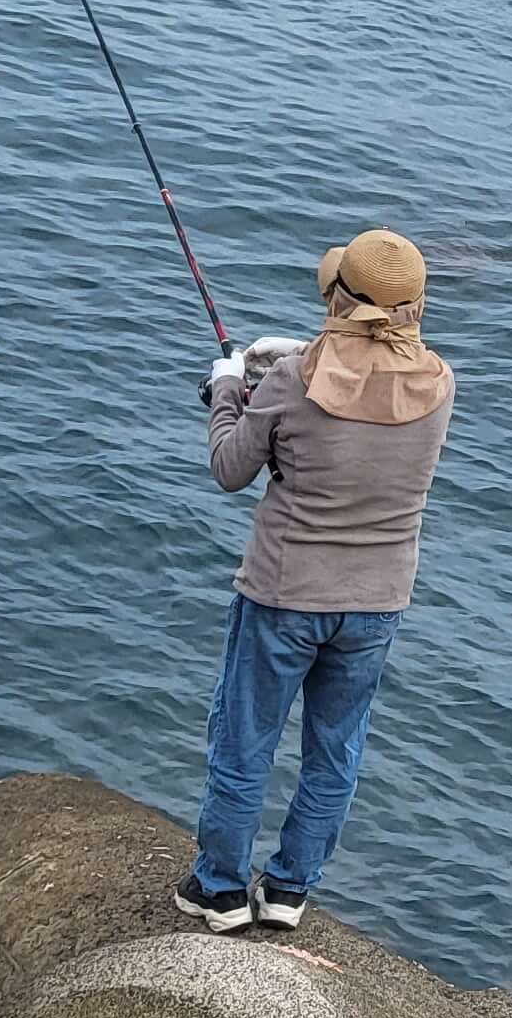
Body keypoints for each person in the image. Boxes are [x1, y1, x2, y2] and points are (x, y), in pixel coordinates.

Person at [175, 228, 455, 932]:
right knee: (335, 753)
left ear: (336, 296)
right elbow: (367, 401)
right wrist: (293, 355)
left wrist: (227, 391)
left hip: (283, 593)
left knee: (245, 743)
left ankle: (220, 889)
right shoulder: (439, 383)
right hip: (376, 604)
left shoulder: (292, 384)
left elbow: (230, 469)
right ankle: (291, 889)